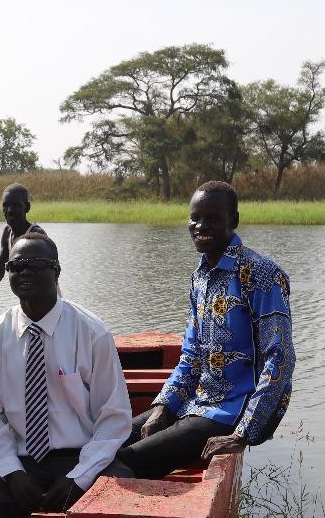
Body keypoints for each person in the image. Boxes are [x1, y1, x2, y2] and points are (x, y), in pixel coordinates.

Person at [0, 234, 133, 518]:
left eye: (35, 264)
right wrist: (12, 471)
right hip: (23, 458)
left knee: (122, 509)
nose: (24, 272)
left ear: (56, 270)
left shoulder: (92, 332)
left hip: (82, 454)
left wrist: (80, 476)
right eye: (16, 266)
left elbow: (113, 418)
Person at [117, 181, 294, 479]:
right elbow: (191, 356)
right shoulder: (200, 276)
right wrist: (163, 406)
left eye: (212, 219)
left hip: (233, 412)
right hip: (196, 401)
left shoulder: (261, 274)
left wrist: (243, 434)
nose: (201, 226)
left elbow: (280, 358)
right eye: (195, 218)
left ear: (233, 221)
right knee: (107, 443)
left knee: (125, 461)